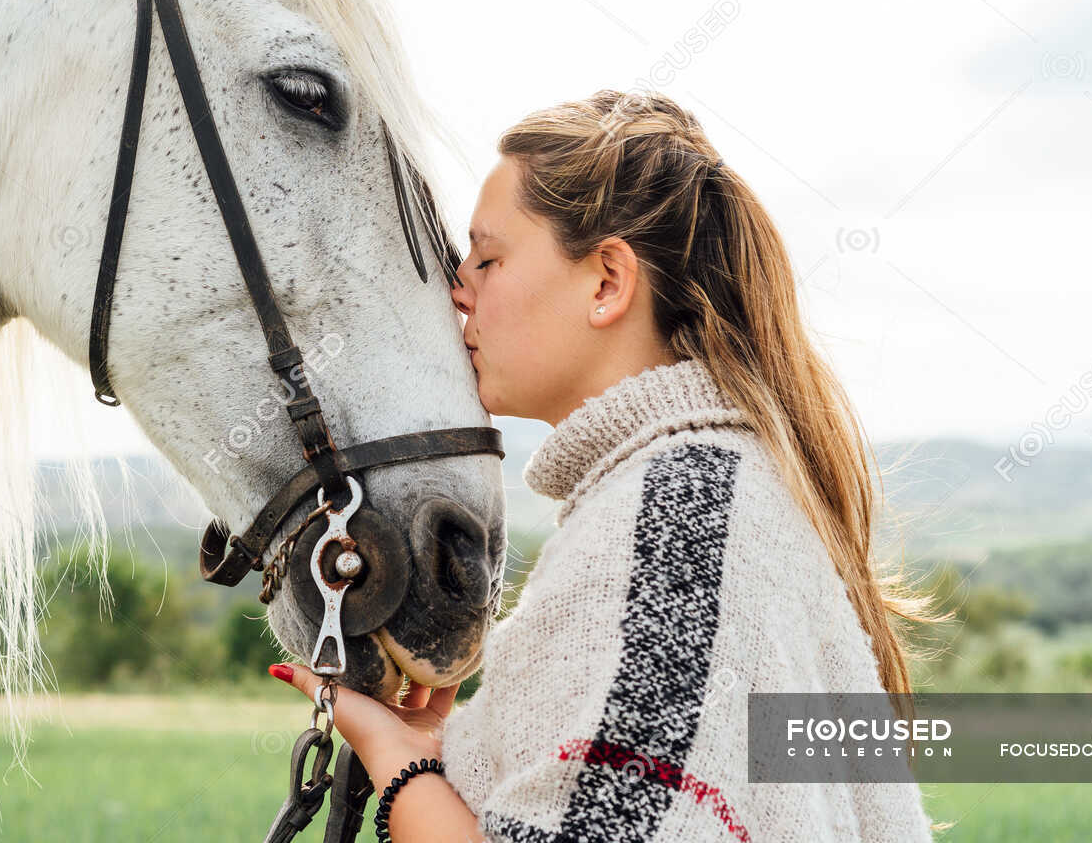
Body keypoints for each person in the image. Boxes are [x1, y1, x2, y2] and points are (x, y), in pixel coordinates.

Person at [270, 89, 943, 841]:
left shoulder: (675, 523)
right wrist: (455, 752)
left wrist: (400, 767)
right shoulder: (714, 492)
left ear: (607, 283)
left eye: (488, 258)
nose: (459, 290)